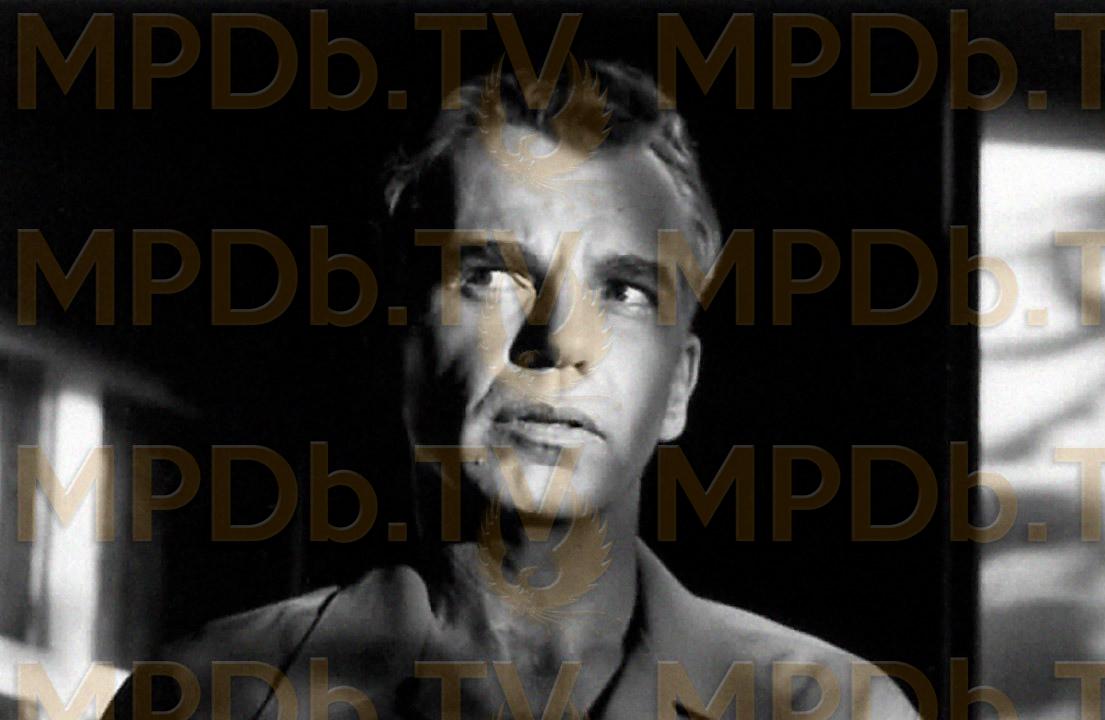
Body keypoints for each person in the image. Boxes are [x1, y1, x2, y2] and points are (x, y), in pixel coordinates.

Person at [106, 59, 917, 720]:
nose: (559, 340)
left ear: (680, 387)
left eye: (624, 292)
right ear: (400, 341)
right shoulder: (204, 699)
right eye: (493, 276)